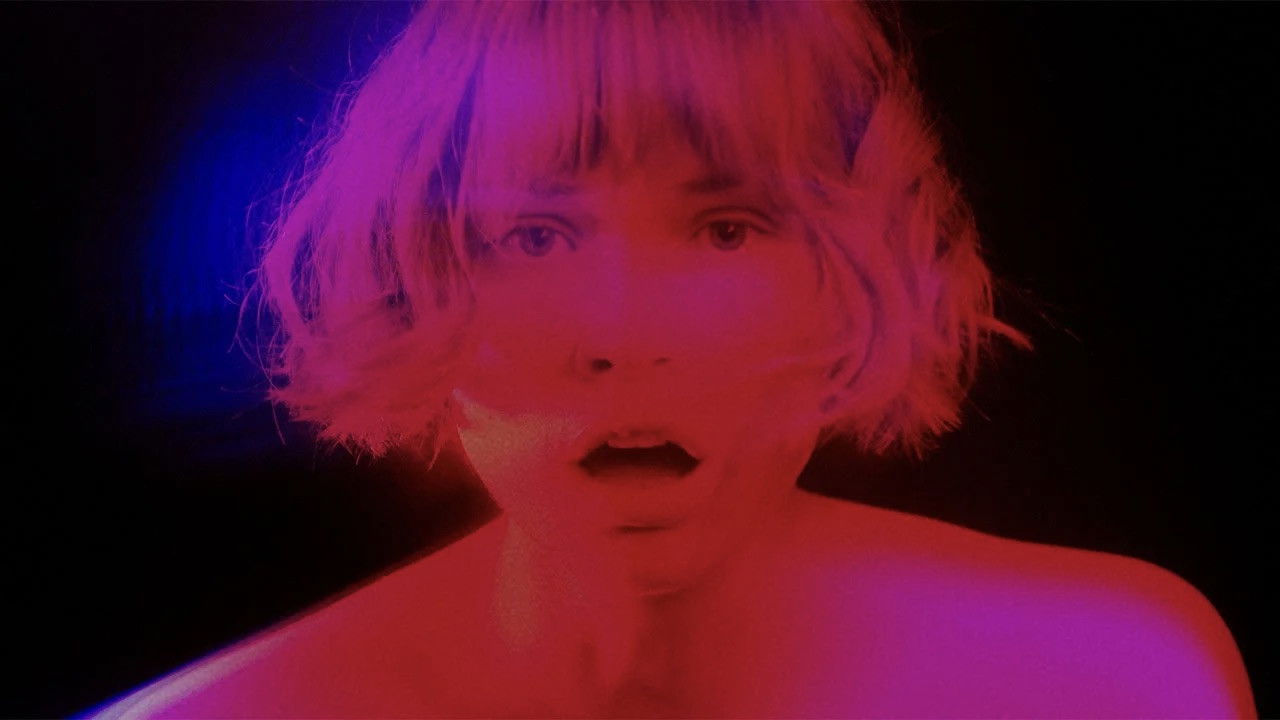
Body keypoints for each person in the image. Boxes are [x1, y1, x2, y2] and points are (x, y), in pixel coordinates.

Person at [87, 1, 1255, 717]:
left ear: (859, 266)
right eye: (532, 235)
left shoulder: (1113, 686)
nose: (622, 336)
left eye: (725, 229)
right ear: (405, 273)